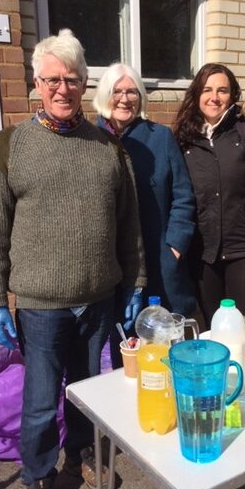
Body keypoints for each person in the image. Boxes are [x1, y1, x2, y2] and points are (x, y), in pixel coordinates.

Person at [0, 30, 146, 489]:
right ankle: (37, 478)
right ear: (36, 83)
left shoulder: (109, 151)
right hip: (40, 305)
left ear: (83, 83)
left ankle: (80, 456)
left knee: (89, 392)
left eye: (72, 79)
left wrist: (135, 281)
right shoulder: (10, 146)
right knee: (41, 399)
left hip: (98, 299)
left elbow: (130, 225)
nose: (63, 88)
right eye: (53, 79)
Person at [93, 63, 196, 364]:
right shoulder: (91, 139)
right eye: (117, 91)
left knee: (167, 344)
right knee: (124, 346)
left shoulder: (160, 137)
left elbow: (183, 195)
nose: (125, 99)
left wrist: (175, 245)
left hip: (158, 258)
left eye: (132, 91)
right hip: (112, 263)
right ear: (104, 95)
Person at [173, 63, 245, 327]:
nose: (214, 97)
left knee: (243, 327)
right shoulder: (183, 138)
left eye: (222, 90)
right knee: (213, 328)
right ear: (196, 94)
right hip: (202, 252)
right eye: (207, 89)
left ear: (232, 96)